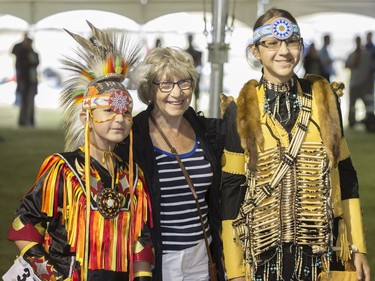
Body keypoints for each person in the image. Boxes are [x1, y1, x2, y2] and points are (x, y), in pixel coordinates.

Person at [220, 7, 370, 281]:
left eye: (291, 42)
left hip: (320, 253)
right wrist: (235, 271)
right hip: (262, 257)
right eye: (272, 43)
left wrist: (358, 247)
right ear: (256, 51)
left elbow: (346, 174)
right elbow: (231, 190)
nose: (284, 51)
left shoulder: (324, 99)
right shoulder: (241, 109)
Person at [5, 22, 153, 281]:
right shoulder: (64, 169)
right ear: (87, 117)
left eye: (125, 112)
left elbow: (140, 240)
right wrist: (52, 275)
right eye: (108, 111)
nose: (119, 119)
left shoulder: (132, 177)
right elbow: (24, 226)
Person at [120, 47, 225, 281]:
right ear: (150, 89)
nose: (177, 93)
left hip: (202, 255)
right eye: (165, 85)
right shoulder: (133, 138)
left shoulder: (207, 132)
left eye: (184, 83)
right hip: (159, 259)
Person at [345, 35, 374, 128]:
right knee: (352, 105)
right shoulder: (352, 54)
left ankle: (369, 122)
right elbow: (348, 65)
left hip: (365, 84)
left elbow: (371, 68)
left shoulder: (367, 54)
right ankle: (352, 122)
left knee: (368, 105)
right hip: (354, 83)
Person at [11, 33, 39, 127]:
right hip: (24, 80)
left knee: (30, 101)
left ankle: (29, 120)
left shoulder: (33, 53)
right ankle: (23, 121)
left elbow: (36, 63)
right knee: (24, 101)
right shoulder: (21, 52)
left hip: (31, 80)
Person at [185, 34, 203, 111]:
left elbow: (199, 64)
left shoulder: (197, 53)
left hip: (194, 76)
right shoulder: (185, 52)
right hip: (187, 76)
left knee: (196, 95)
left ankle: (196, 110)